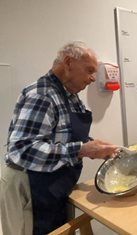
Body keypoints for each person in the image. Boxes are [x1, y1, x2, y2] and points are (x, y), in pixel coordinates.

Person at [0, 41, 119, 235]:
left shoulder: (69, 95)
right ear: (69, 62)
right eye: (89, 70)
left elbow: (65, 134)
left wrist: (94, 146)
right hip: (28, 186)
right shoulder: (41, 94)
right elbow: (24, 150)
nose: (92, 78)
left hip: (53, 185)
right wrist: (83, 149)